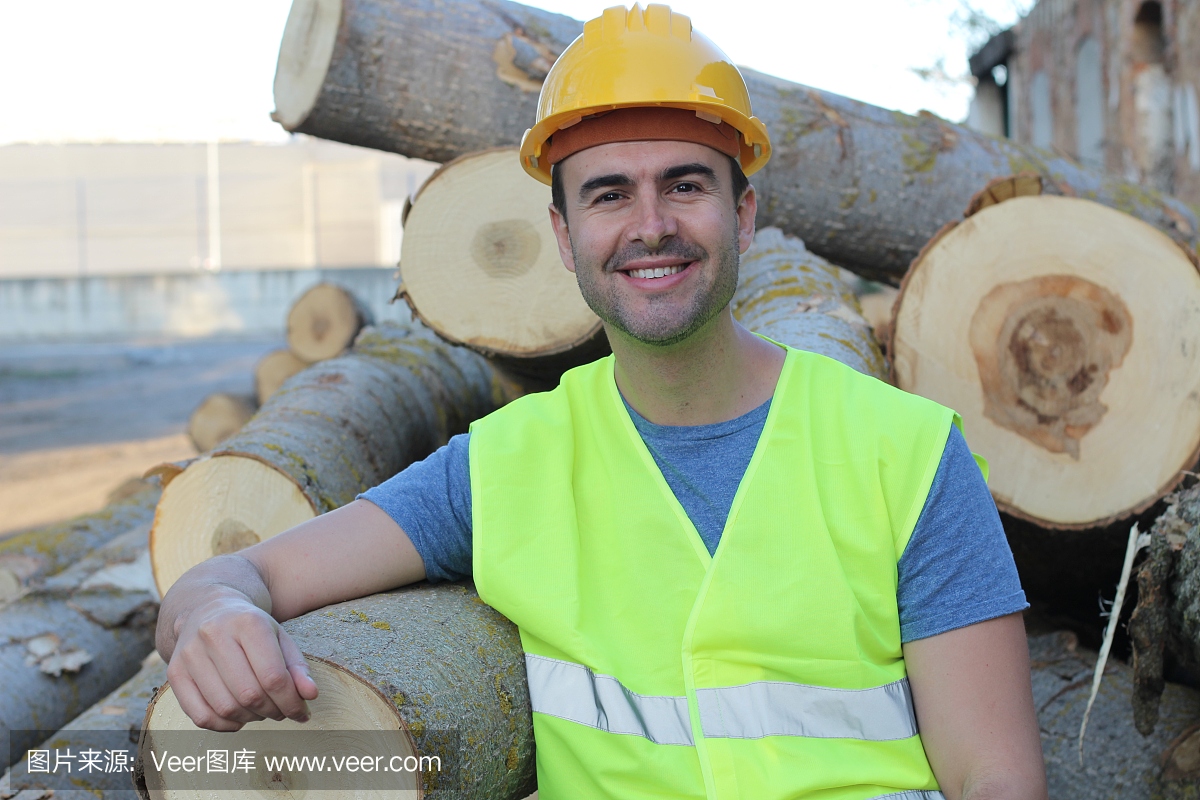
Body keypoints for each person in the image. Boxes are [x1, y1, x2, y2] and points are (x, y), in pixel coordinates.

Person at [156, 4, 1048, 798]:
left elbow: (993, 774)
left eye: (685, 184)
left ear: (743, 216)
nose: (649, 223)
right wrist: (218, 614)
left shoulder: (910, 452)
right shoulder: (505, 467)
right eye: (609, 193)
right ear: (563, 234)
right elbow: (242, 574)